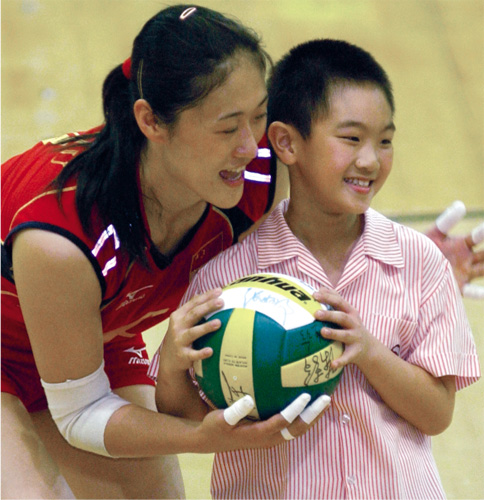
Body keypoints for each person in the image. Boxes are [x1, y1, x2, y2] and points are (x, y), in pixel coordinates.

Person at [1, 5, 328, 499]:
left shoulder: (256, 175)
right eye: (227, 127)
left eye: (259, 116)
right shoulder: (62, 237)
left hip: (96, 335)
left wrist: (418, 257)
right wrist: (201, 437)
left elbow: (328, 238)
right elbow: (81, 413)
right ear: (151, 121)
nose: (249, 145)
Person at [154, 39, 481, 499]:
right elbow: (188, 415)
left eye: (385, 141)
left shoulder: (420, 260)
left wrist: (368, 350)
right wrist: (170, 365)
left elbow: (437, 413)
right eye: (351, 139)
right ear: (286, 142)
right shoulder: (228, 276)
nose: (370, 160)